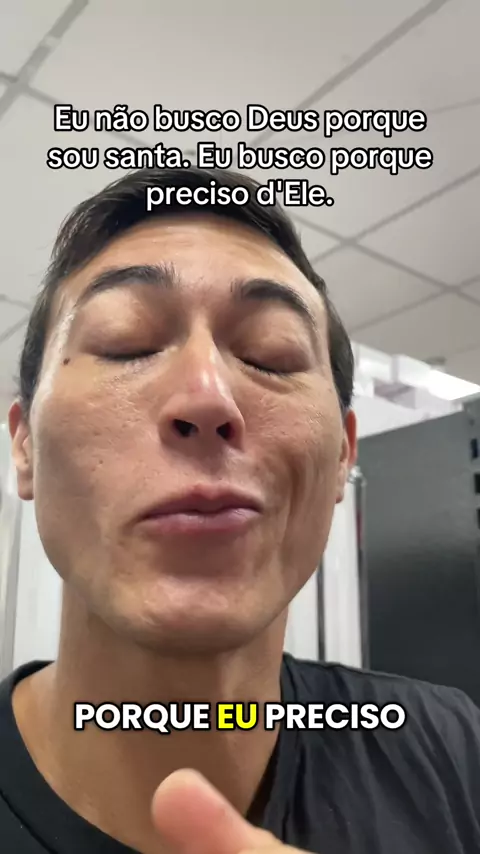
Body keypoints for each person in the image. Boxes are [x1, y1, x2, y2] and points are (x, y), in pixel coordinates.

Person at [1, 166, 479, 854]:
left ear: (342, 456)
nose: (207, 396)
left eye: (271, 356)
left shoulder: (450, 750)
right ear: (24, 447)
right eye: (126, 343)